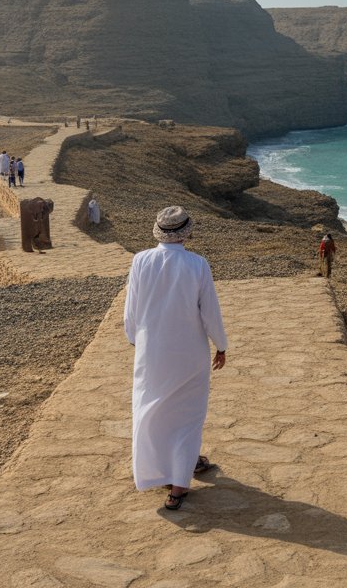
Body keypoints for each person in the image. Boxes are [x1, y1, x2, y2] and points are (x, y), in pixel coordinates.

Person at [123, 206, 227, 510]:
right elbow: (209, 311)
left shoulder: (140, 260)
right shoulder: (197, 264)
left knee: (152, 410)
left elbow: (132, 310)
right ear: (187, 232)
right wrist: (221, 345)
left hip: (151, 351)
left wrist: (136, 341)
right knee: (187, 415)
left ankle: (164, 472)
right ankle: (179, 484)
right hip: (188, 352)